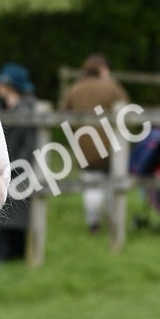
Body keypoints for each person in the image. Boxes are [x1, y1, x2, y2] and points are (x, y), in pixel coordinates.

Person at [62, 54, 129, 232]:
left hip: (84, 145)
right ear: (102, 69)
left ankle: (94, 224)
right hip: (111, 145)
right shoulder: (112, 87)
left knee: (91, 185)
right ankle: (114, 223)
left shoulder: (74, 89)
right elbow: (127, 110)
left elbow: (63, 115)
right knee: (111, 184)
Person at [0, 62, 37, 262]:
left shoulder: (27, 110)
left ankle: (8, 255)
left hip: (19, 171)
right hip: (0, 172)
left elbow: (26, 147)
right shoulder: (1, 108)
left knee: (14, 215)